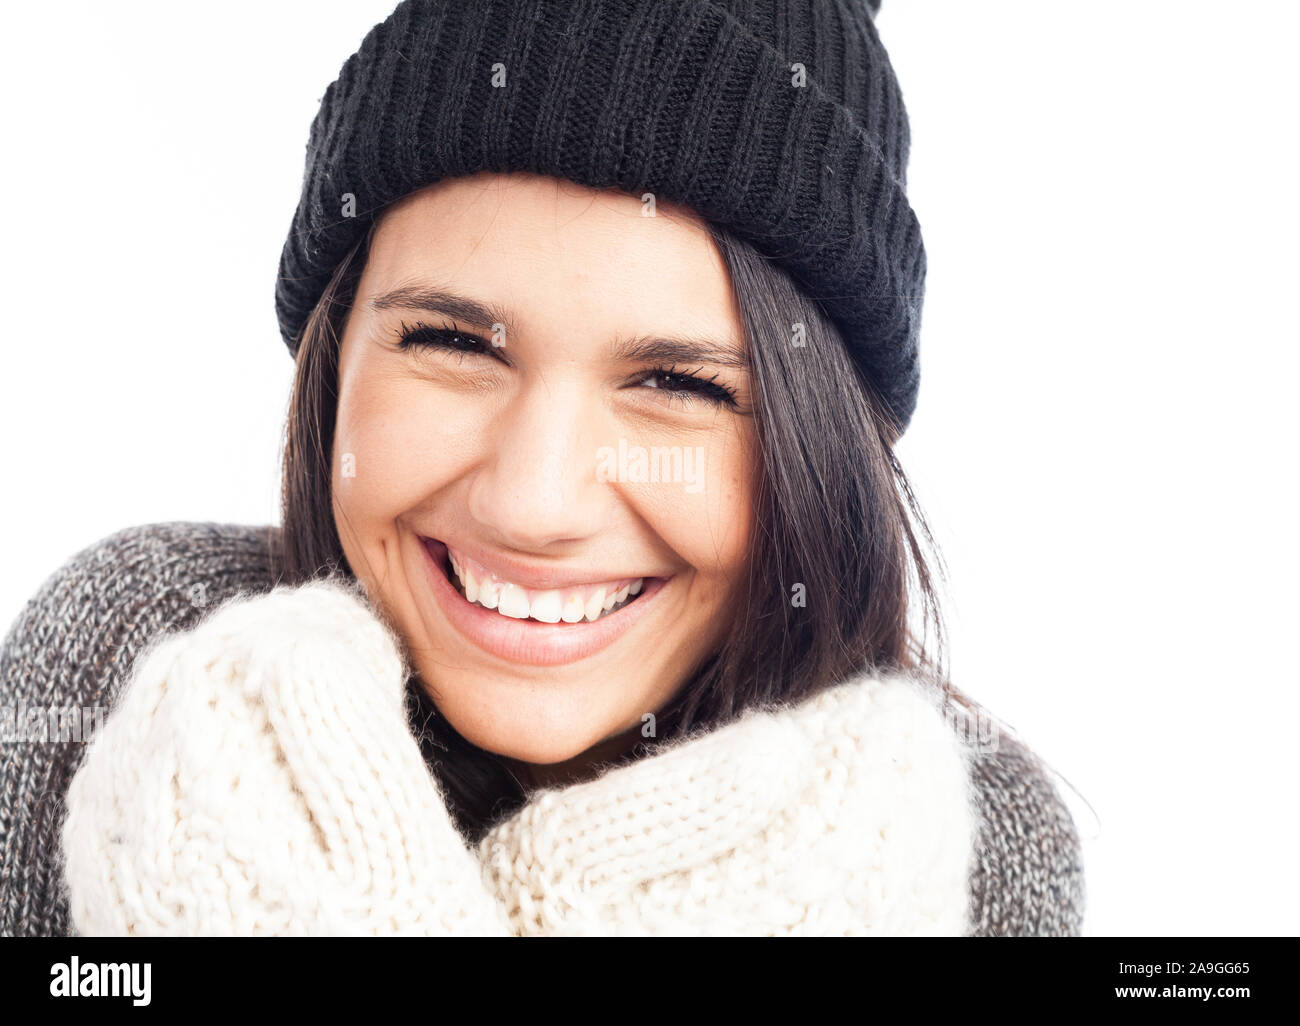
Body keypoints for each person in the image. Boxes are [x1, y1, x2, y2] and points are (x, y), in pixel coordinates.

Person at [0, 0, 1085, 936]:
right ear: (336, 360)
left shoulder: (968, 847)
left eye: (680, 384)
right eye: (454, 346)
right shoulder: (140, 657)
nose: (532, 501)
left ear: (824, 448)